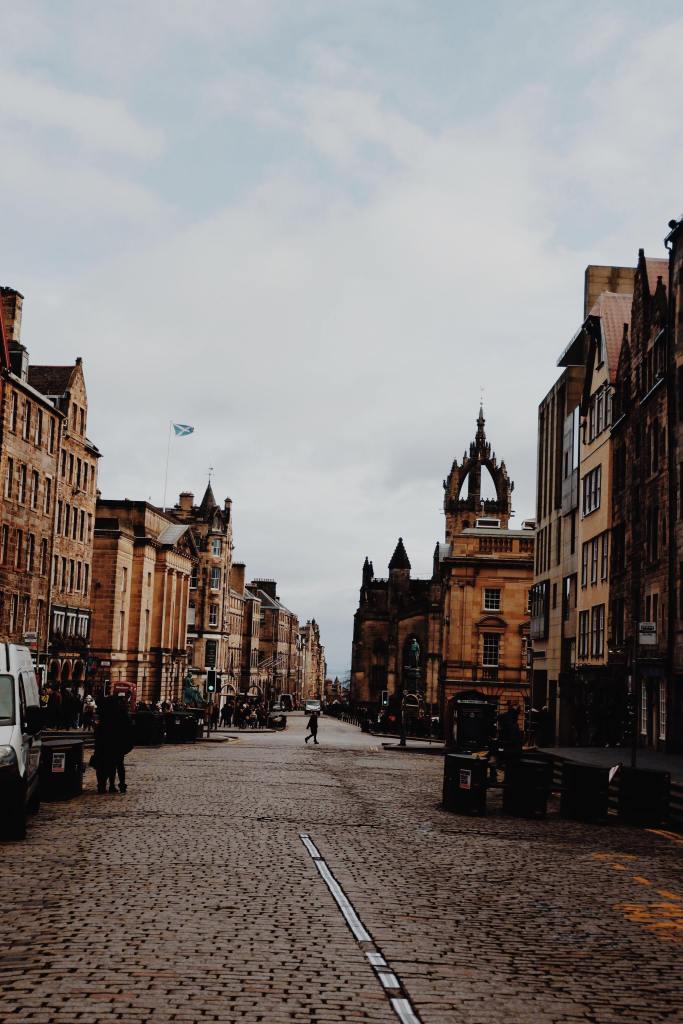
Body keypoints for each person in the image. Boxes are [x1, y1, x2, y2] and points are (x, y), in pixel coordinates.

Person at [93, 695, 134, 794]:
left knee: (107, 764)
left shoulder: (105, 713)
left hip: (106, 742)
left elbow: (98, 729)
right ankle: (120, 785)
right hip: (118, 743)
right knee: (118, 764)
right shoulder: (121, 713)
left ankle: (104, 786)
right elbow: (128, 728)